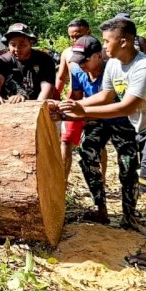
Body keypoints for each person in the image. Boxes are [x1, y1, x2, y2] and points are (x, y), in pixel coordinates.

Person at [60, 17, 146, 269]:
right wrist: (72, 106)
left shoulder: (145, 67)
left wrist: (82, 112)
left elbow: (127, 106)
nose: (104, 45)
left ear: (124, 41)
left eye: (107, 41)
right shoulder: (114, 65)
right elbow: (106, 96)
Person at [63, 36, 141, 228]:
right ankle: (100, 208)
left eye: (85, 60)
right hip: (95, 119)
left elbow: (110, 101)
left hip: (122, 121)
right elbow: (78, 101)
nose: (81, 65)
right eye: (78, 61)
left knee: (128, 165)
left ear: (99, 56)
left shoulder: (114, 70)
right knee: (87, 154)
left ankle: (129, 215)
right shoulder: (77, 71)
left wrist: (79, 110)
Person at [54, 19, 106, 184]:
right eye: (72, 36)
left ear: (88, 33)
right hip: (74, 99)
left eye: (78, 35)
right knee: (66, 139)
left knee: (97, 141)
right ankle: (63, 182)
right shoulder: (66, 53)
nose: (75, 39)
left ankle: (101, 179)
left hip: (97, 101)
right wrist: (55, 98)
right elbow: (61, 77)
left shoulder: (100, 53)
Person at [0, 23, 55, 104]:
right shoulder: (4, 60)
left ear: (31, 43)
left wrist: (38, 105)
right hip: (9, 104)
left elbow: (47, 86)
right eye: (13, 45)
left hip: (37, 101)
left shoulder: (44, 59)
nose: (17, 49)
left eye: (22, 45)